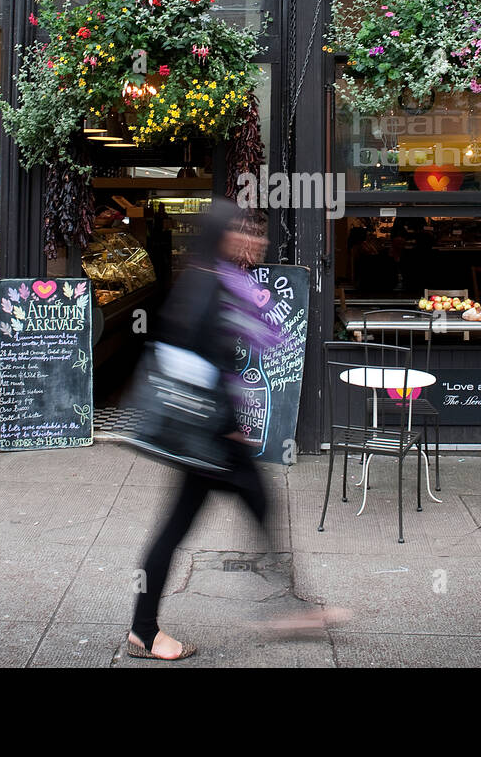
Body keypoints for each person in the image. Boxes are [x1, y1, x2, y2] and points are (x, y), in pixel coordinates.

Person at [126, 200, 282, 661]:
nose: (255, 239)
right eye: (244, 230)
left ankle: (144, 627)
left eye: (257, 232)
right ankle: (144, 630)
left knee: (238, 511)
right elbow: (197, 362)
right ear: (222, 233)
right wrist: (230, 426)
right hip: (205, 437)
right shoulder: (208, 285)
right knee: (246, 508)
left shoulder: (214, 278)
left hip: (206, 435)